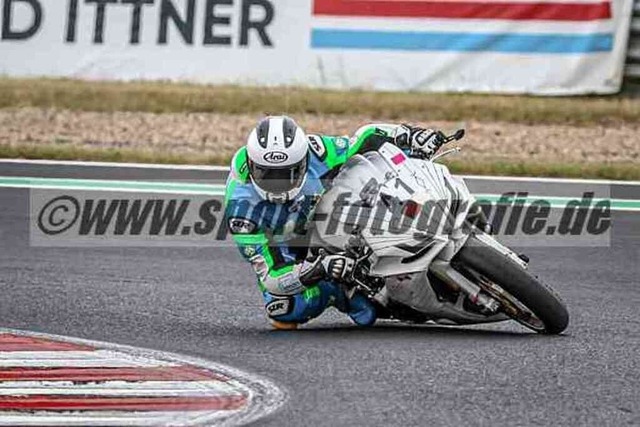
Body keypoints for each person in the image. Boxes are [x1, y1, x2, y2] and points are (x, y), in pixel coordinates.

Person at [224, 116, 446, 330]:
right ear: (252, 165)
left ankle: (424, 202)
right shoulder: (241, 211)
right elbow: (271, 277)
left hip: (324, 209)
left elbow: (364, 138)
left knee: (368, 164)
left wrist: (408, 135)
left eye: (287, 173)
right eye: (267, 174)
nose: (278, 183)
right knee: (284, 308)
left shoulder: (316, 151)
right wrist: (319, 269)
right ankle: (341, 293)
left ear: (303, 162)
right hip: (284, 245)